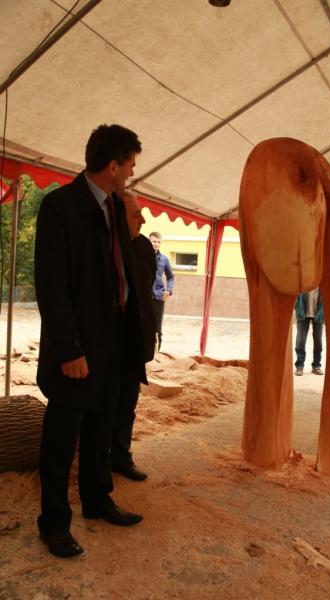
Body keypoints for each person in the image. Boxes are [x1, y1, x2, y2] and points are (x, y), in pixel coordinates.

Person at [35, 124, 147, 559]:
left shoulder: (117, 209)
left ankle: (98, 501)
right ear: (112, 165)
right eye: (131, 166)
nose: (132, 173)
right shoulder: (60, 207)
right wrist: (70, 350)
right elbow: (52, 286)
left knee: (101, 430)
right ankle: (54, 523)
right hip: (78, 347)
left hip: (114, 340)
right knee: (62, 439)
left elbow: (120, 272)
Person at [110, 191, 156, 481]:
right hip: (109, 341)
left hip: (133, 342)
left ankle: (121, 457)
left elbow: (145, 291)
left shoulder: (143, 247)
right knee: (105, 407)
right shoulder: (105, 245)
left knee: (127, 404)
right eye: (135, 213)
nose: (143, 218)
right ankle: (99, 461)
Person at [149, 231, 174, 351]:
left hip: (159, 297)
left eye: (158, 242)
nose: (156, 244)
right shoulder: (144, 257)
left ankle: (157, 352)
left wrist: (168, 291)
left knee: (157, 327)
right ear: (149, 242)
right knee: (144, 324)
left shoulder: (164, 259)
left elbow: (171, 276)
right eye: (154, 241)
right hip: (145, 296)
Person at [294, 287, 324, 376]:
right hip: (303, 313)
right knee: (300, 341)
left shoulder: (322, 283)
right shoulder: (305, 282)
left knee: (318, 341)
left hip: (318, 314)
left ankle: (316, 366)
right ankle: (299, 366)